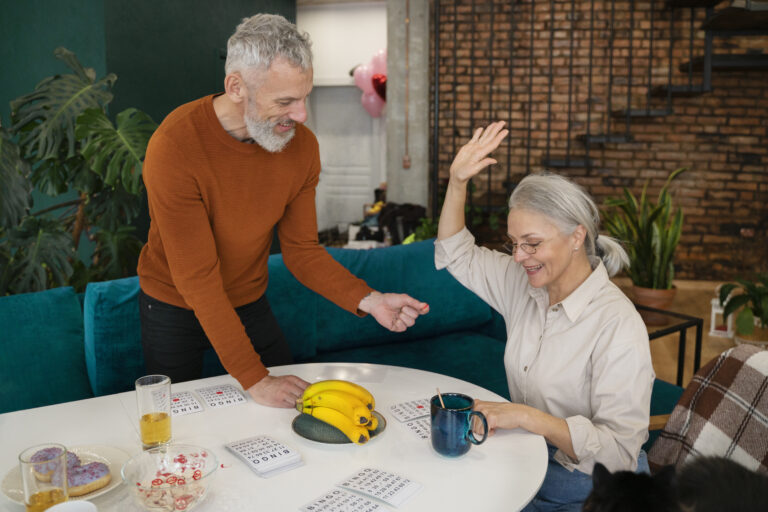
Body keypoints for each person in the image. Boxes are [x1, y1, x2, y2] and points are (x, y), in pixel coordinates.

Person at [137, 14, 428, 409]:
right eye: (285, 101)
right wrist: (256, 380)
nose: (302, 115)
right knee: (178, 423)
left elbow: (303, 251)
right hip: (173, 304)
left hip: (248, 299)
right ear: (236, 87)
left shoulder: (301, 147)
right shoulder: (175, 145)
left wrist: (371, 300)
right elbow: (198, 279)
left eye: (303, 96)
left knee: (289, 410)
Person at [435, 121, 654, 511]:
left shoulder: (618, 325)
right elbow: (457, 252)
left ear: (576, 237)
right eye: (514, 244)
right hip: (529, 461)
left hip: (592, 491)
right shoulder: (525, 283)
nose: (519, 257)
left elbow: (619, 452)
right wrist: (456, 182)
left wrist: (527, 417)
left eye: (533, 244)